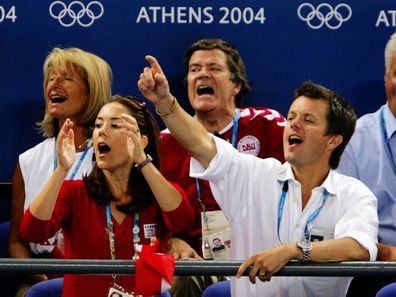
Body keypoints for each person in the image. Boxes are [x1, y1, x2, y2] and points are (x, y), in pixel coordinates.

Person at [138, 55, 379, 297]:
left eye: (308, 120)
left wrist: (294, 251)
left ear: (334, 140)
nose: (293, 125)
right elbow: (202, 145)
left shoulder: (353, 193)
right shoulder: (256, 175)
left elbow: (359, 247)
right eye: (292, 117)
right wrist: (165, 103)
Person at [19, 95, 194, 297]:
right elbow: (32, 231)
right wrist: (61, 170)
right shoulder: (74, 192)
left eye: (115, 125)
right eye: (98, 125)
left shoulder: (157, 195)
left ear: (141, 140)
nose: (102, 131)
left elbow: (183, 220)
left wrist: (142, 160)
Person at [160, 38, 286, 296]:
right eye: (195, 70)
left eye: (214, 68)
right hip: (195, 259)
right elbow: (146, 212)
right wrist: (172, 240)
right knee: (179, 276)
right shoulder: (164, 142)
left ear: (236, 85)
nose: (202, 74)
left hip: (259, 255)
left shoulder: (268, 125)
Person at [7, 47, 113, 297]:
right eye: (50, 78)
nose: (54, 84)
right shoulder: (28, 160)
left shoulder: (112, 155)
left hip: (101, 278)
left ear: (92, 91)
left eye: (66, 78)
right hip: (43, 280)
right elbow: (16, 241)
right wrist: (38, 274)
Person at [338, 32, 396, 296]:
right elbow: (340, 221)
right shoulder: (353, 141)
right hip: (376, 268)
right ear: (386, 77)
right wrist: (383, 252)